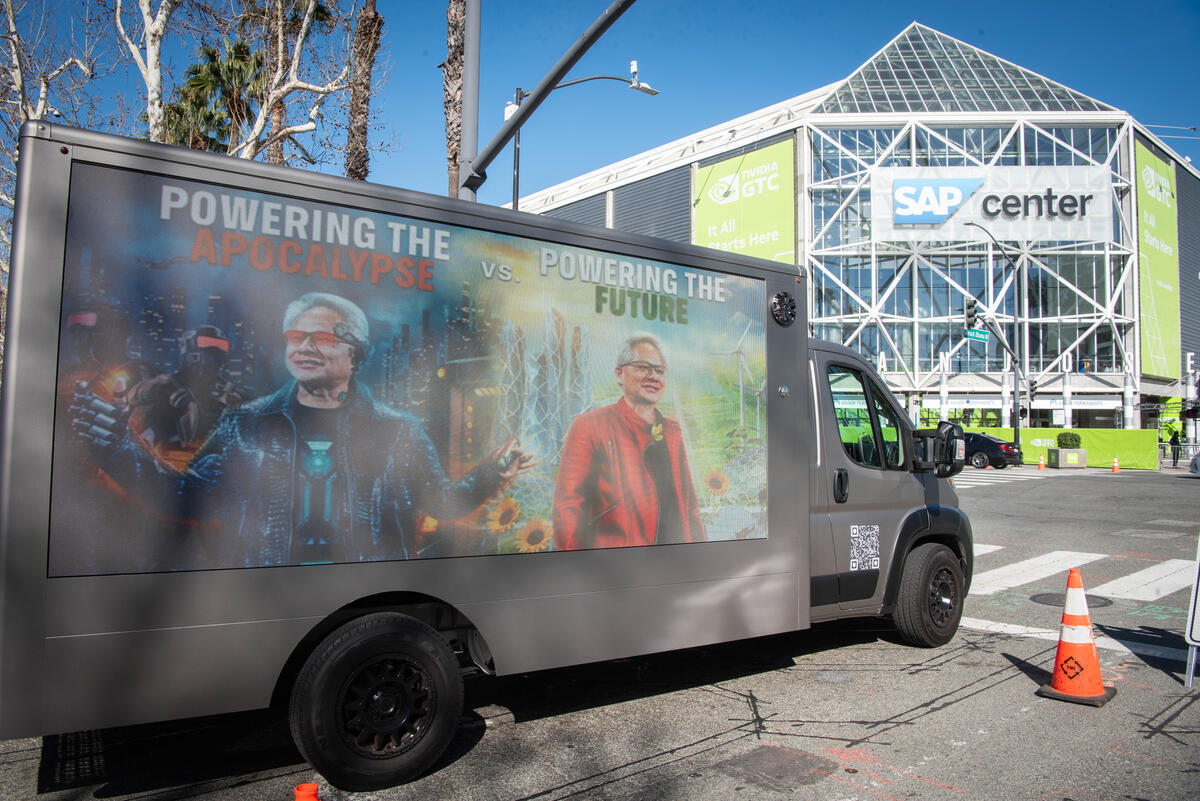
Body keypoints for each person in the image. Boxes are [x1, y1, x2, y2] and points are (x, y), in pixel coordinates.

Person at [72, 291, 535, 570]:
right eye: (297, 337)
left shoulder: (401, 432)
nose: (306, 346)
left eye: (325, 338)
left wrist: (495, 472)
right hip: (270, 595)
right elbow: (186, 497)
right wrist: (116, 448)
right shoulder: (244, 425)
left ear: (356, 353)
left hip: (368, 592)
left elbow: (441, 502)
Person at [553, 333, 704, 551]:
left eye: (660, 371)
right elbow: (568, 510)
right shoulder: (590, 426)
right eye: (644, 367)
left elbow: (690, 508)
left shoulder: (672, 432)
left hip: (676, 564)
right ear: (619, 374)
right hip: (620, 569)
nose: (654, 376)